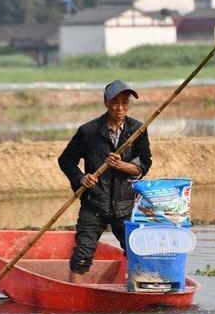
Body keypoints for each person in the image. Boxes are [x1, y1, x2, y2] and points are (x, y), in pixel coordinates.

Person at [58, 79, 152, 276]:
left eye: (125, 103)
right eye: (115, 102)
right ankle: (74, 292)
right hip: (94, 205)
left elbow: (144, 165)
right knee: (82, 258)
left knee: (138, 255)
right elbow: (66, 160)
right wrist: (81, 178)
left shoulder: (137, 130)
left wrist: (122, 165)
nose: (120, 108)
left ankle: (138, 291)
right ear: (106, 102)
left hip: (126, 207)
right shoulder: (88, 131)